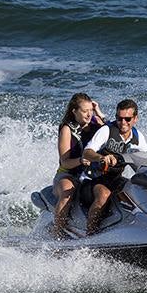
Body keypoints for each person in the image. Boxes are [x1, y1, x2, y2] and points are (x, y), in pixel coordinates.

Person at [81, 98, 147, 235]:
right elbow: (87, 152)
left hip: (115, 178)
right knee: (104, 195)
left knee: (139, 191)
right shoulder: (106, 131)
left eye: (127, 119)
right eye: (119, 118)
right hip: (92, 179)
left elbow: (146, 160)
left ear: (135, 119)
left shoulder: (137, 136)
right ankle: (90, 235)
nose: (123, 122)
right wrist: (101, 158)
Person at [51, 92, 106, 237]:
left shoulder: (96, 122)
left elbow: (112, 132)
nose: (89, 114)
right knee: (67, 193)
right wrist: (80, 160)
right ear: (74, 111)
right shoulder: (67, 129)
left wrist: (99, 113)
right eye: (85, 111)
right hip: (68, 174)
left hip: (91, 173)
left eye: (91, 110)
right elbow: (65, 162)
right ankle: (57, 234)